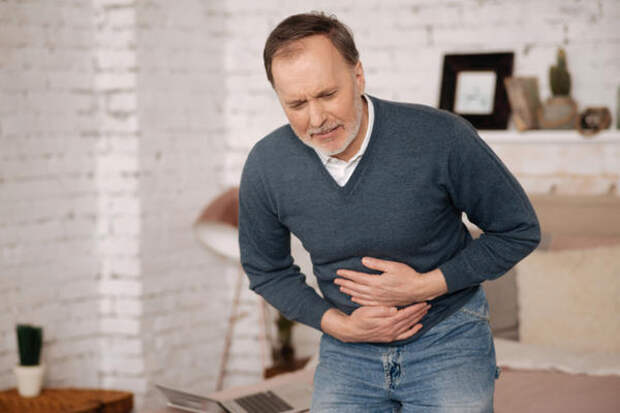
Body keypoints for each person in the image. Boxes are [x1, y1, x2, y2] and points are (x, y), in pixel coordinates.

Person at [238, 12, 540, 413]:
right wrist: (339, 325)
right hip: (348, 347)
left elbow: (518, 230)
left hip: (448, 333)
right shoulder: (266, 164)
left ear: (358, 76)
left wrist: (426, 285)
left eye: (328, 94)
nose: (316, 119)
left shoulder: (440, 137)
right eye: (295, 103)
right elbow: (266, 270)